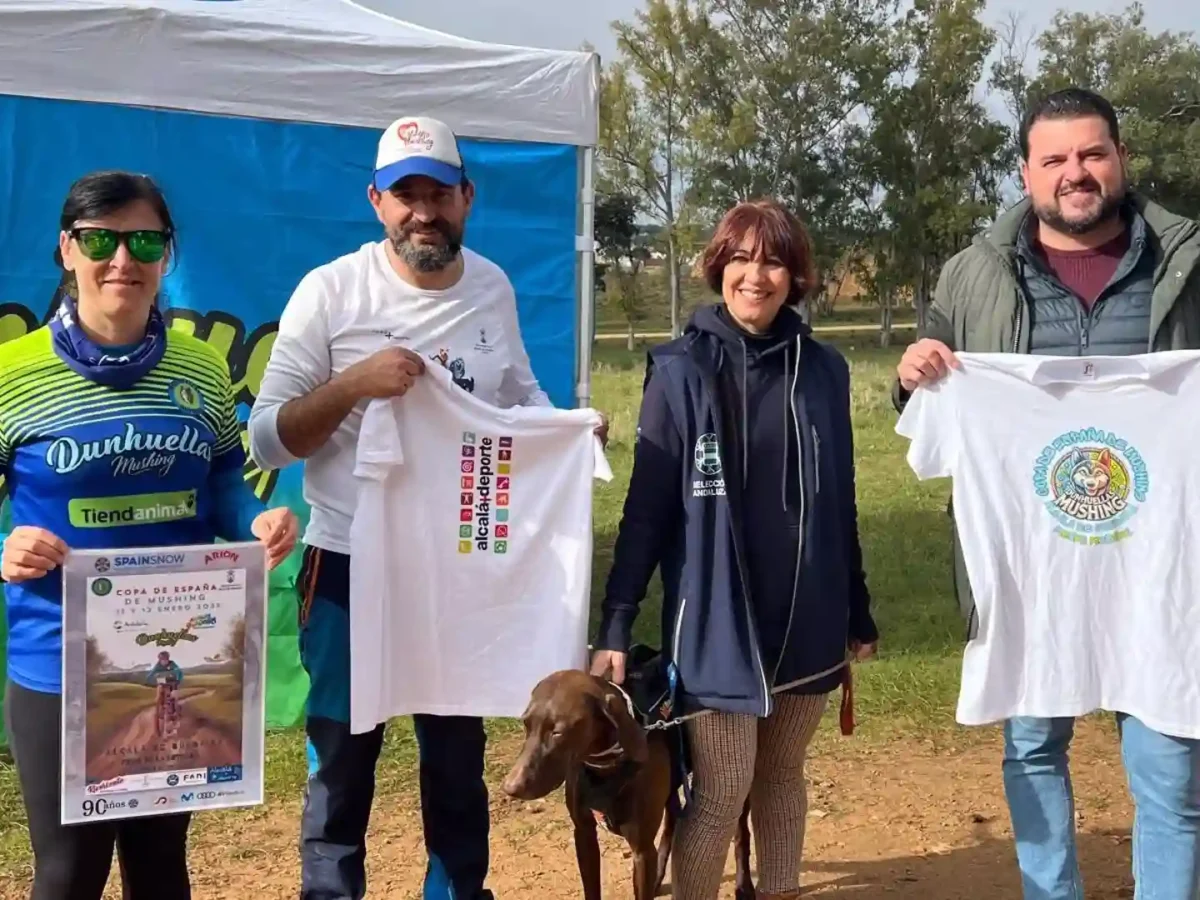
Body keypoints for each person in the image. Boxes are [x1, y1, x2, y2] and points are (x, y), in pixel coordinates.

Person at [248, 114, 605, 900]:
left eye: (438, 193)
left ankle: (456, 892)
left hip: (458, 574)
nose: (423, 212)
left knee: (455, 760)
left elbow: (521, 401)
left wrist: (573, 434)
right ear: (377, 201)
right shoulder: (331, 292)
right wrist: (351, 386)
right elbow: (268, 438)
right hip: (348, 565)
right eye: (405, 194)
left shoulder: (492, 287)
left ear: (467, 198)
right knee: (342, 760)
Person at [894, 87, 1200, 899]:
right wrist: (915, 374)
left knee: (1171, 765)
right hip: (1031, 570)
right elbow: (925, 392)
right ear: (1027, 172)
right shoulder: (973, 274)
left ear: (1121, 159)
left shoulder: (1188, 262)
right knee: (1032, 747)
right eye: (1055, 158)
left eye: (1092, 154)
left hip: (1161, 571)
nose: (1077, 173)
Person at [0, 170, 299, 900]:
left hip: (180, 659)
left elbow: (224, 484)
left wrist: (252, 523)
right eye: (101, 239)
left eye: (144, 240)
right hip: (58, 660)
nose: (122, 260)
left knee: (162, 866)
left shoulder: (198, 366)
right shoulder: (12, 374)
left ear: (167, 254)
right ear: (67, 250)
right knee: (68, 872)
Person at [590, 199, 878, 900]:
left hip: (808, 619)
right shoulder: (679, 369)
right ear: (719, 267)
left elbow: (840, 497)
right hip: (719, 623)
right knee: (721, 792)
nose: (758, 276)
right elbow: (647, 510)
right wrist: (618, 623)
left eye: (774, 260)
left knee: (781, 779)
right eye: (742, 259)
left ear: (796, 275)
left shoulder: (825, 371)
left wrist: (857, 611)